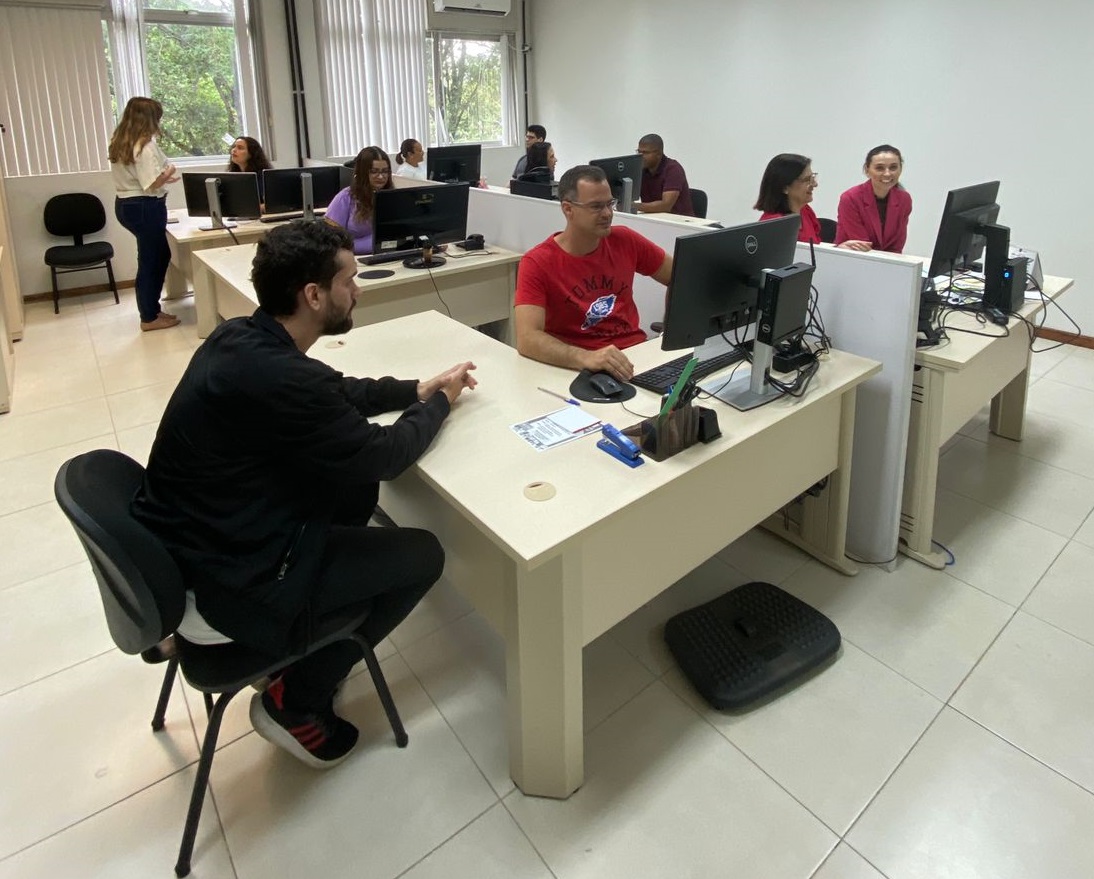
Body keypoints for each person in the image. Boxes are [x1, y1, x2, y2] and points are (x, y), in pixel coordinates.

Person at [133, 219, 478, 768]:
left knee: (349, 484)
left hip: (192, 553)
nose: (359, 289)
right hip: (229, 585)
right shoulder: (284, 378)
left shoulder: (242, 338)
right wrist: (437, 405)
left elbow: (334, 389)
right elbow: (385, 455)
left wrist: (414, 389)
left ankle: (283, 648)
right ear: (314, 295)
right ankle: (296, 700)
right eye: (350, 280)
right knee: (421, 554)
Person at [514, 164, 673, 382]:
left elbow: (679, 276)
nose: (608, 213)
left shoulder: (625, 240)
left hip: (635, 357)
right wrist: (586, 358)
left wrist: (671, 333)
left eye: (610, 204)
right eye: (596, 207)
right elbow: (527, 338)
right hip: (578, 370)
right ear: (568, 209)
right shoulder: (537, 262)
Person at [108, 96, 180, 332]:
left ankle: (152, 310)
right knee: (153, 260)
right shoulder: (145, 146)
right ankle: (149, 317)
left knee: (155, 256)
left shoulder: (121, 142)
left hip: (127, 205)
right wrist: (168, 171)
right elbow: (150, 183)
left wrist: (161, 177)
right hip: (144, 206)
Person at [754, 153, 870, 249]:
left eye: (813, 177)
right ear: (785, 187)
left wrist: (839, 249)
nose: (815, 184)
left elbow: (815, 252)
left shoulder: (805, 211)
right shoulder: (774, 226)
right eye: (807, 180)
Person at [836, 144, 912, 253]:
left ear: (900, 169)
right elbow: (862, 246)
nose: (887, 173)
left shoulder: (904, 199)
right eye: (879, 168)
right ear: (867, 170)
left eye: (893, 167)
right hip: (853, 260)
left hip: (888, 262)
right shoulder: (850, 198)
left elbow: (897, 245)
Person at [324, 146, 394, 255]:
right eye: (374, 171)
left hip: (387, 256)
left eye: (385, 171)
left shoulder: (391, 197)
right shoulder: (345, 198)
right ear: (363, 173)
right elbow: (332, 241)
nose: (381, 177)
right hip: (354, 260)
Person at [635, 134, 695, 216]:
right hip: (653, 219)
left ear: (659, 154)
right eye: (639, 152)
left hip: (679, 222)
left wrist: (633, 206)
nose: (640, 156)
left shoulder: (673, 169)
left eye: (645, 152)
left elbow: (666, 206)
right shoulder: (642, 170)